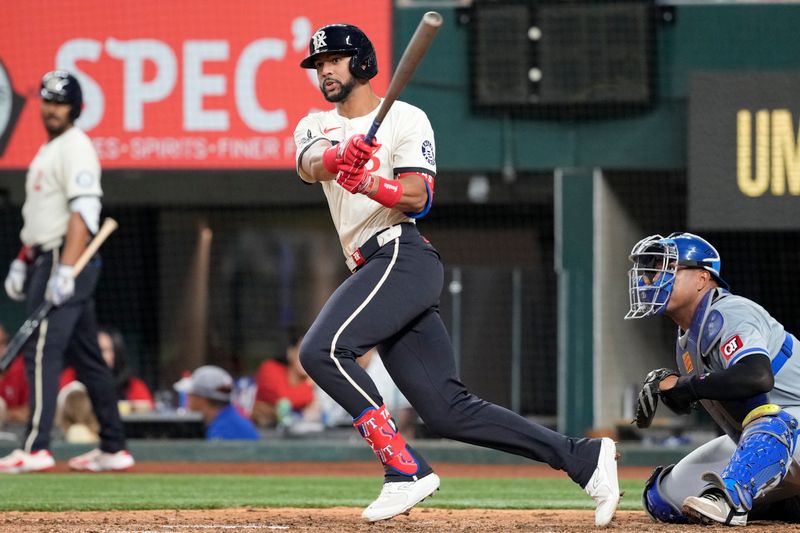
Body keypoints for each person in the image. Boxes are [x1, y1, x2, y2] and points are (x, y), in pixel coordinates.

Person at [292, 23, 619, 526]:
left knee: (321, 350)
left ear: (361, 62)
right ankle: (582, 457)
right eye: (319, 64)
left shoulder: (407, 118)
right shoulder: (315, 124)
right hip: (374, 265)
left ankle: (403, 469)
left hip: (401, 255)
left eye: (334, 59)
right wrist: (341, 159)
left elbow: (418, 197)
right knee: (446, 410)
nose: (325, 71)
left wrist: (371, 183)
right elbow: (311, 162)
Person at [0, 70, 133, 473]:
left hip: (66, 258)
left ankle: (36, 446)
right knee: (89, 359)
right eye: (47, 100)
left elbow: (83, 212)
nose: (52, 108)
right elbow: (45, 218)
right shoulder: (49, 150)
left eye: (59, 101)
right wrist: (24, 260)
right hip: (47, 255)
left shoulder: (76, 146)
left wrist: (66, 270)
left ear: (74, 107)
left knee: (42, 349)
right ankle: (113, 447)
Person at [626, 232, 800, 526]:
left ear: (702, 279)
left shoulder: (731, 311)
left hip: (786, 429)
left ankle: (732, 501)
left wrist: (686, 387)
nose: (650, 280)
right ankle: (788, 505)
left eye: (665, 269)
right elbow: (720, 392)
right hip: (769, 443)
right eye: (650, 272)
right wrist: (675, 391)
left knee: (772, 421)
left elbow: (756, 377)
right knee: (664, 498)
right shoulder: (686, 338)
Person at [60, 326, 155, 413]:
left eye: (105, 350)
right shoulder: (71, 377)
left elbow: (148, 411)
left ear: (116, 354)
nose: (99, 356)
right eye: (95, 350)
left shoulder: (132, 385)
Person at [174, 365, 260, 441]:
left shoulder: (226, 428)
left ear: (202, 398)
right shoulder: (225, 418)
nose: (187, 397)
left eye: (190, 393)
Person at [251, 332, 316, 427]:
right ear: (290, 353)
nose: (308, 358)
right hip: (260, 433)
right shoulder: (269, 368)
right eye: (303, 351)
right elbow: (283, 401)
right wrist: (309, 384)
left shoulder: (314, 381)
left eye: (312, 353)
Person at [0, 324, 29, 427]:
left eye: (3, 342)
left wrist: (5, 414)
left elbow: (31, 411)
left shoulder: (19, 367)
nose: (2, 349)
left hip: (14, 433)